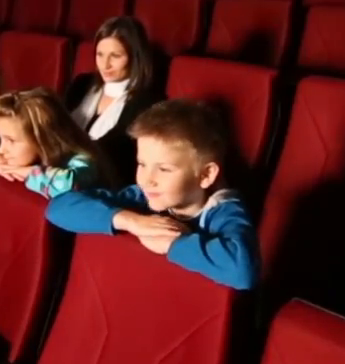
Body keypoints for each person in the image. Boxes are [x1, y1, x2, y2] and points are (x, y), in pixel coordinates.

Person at [47, 100, 259, 290]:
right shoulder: (143, 196)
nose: (147, 179)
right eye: (142, 164)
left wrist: (172, 243)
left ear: (205, 175)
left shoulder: (223, 210)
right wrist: (131, 221)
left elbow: (243, 272)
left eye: (164, 169)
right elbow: (59, 207)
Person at [63, 16, 161, 177]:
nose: (105, 64)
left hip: (106, 178)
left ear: (134, 57)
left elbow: (119, 157)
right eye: (100, 54)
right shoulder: (81, 84)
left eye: (115, 56)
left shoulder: (147, 103)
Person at [0, 88, 107, 199]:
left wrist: (29, 172)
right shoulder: (9, 143)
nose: (1, 149)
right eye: (0, 138)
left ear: (44, 139)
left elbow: (69, 184)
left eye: (11, 141)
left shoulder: (84, 162)